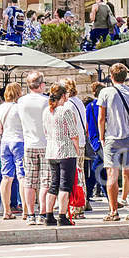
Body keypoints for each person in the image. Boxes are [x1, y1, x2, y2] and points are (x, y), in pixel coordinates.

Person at [97, 61, 129, 222]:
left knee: (112, 175)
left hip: (112, 137)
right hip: (128, 137)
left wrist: (101, 136)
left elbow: (101, 118)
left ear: (111, 76)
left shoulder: (105, 92)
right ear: (126, 77)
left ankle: (113, 211)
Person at [42, 82, 81, 226]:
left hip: (51, 151)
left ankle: (48, 215)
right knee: (65, 185)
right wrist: (77, 150)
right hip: (66, 151)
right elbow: (74, 134)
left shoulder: (47, 111)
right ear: (63, 96)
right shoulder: (66, 111)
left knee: (53, 184)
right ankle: (62, 216)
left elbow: (45, 132)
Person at [18, 71, 49, 226]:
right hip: (45, 143)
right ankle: (42, 213)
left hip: (28, 143)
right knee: (45, 181)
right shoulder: (46, 101)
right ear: (41, 84)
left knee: (30, 181)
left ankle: (30, 213)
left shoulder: (21, 101)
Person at [0, 81, 25, 222]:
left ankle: (6, 210)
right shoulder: (20, 107)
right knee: (22, 177)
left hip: (5, 142)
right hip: (19, 141)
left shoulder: (0, 108)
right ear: (18, 93)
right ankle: (26, 210)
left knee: (6, 177)